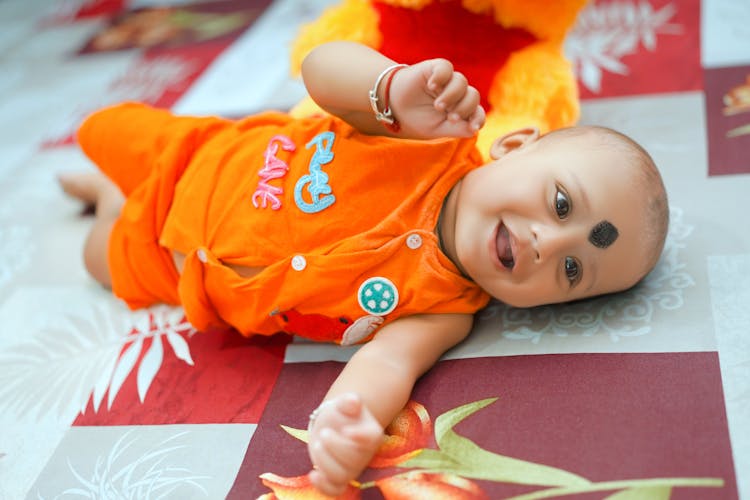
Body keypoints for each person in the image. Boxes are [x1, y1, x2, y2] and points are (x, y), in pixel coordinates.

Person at [59, 41, 668, 496]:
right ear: (513, 146)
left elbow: (386, 365)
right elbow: (321, 71)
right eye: (561, 204)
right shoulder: (428, 134)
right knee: (99, 128)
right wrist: (390, 86)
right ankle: (107, 180)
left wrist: (352, 422)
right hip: (197, 155)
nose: (546, 242)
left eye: (570, 271)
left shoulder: (444, 312)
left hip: (181, 269)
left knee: (97, 259)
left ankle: (110, 201)